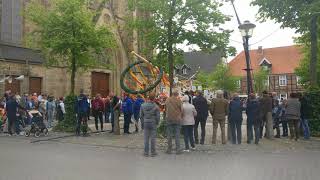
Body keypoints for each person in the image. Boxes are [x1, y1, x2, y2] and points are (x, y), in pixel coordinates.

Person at [140, 92, 160, 157]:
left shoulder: (142, 105)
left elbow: (141, 116)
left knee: (146, 138)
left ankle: (146, 152)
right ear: (154, 98)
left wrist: (142, 123)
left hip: (146, 122)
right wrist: (157, 122)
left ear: (148, 98)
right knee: (153, 138)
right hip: (153, 122)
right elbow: (158, 117)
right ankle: (153, 152)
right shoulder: (156, 106)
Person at [165, 90, 183, 154]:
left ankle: (169, 149)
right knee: (177, 135)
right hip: (177, 119)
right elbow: (182, 110)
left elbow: (165, 108)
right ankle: (178, 150)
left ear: (172, 94)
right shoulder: (179, 101)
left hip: (169, 119)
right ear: (177, 95)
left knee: (169, 135)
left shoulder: (167, 100)